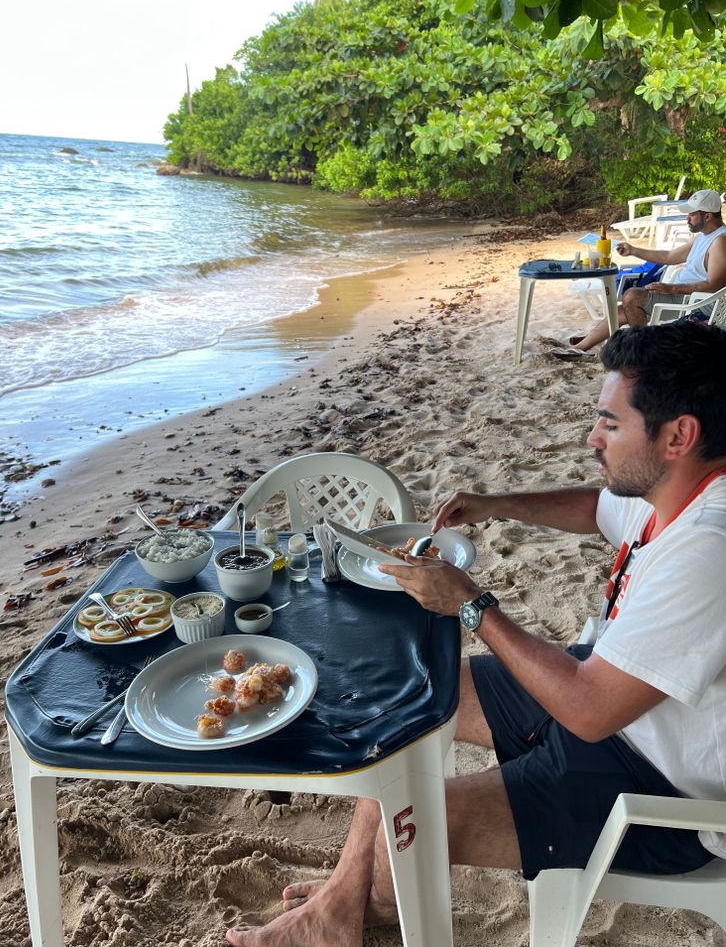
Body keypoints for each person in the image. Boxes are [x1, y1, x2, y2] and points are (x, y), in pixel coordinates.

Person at [224, 323, 726, 947]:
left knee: (407, 821)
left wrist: (472, 606)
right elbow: (599, 508)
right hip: (619, 706)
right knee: (410, 704)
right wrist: (497, 503)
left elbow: (590, 711)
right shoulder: (676, 486)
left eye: (611, 424)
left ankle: (340, 912)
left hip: (656, 787)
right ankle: (349, 902)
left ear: (679, 435)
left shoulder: (709, 550)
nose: (593, 439)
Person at [553, 189, 726, 361]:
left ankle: (643, 351)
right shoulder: (702, 236)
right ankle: (579, 348)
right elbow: (668, 257)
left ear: (708, 216)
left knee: (632, 297)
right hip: (683, 295)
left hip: (697, 303)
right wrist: (634, 250)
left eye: (691, 215)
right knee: (622, 310)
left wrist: (670, 287)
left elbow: (714, 285)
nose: (686, 218)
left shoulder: (720, 242)